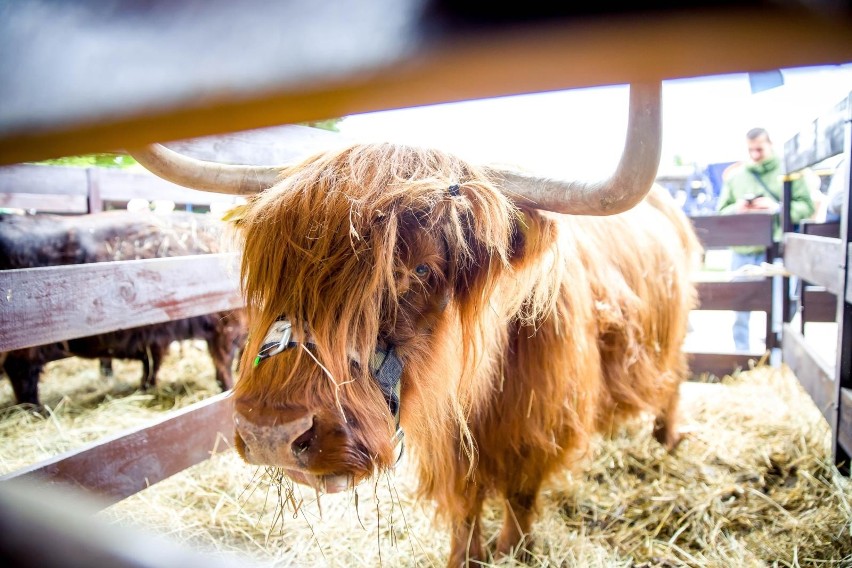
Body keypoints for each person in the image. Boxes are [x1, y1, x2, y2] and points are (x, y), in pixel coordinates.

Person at [715, 127, 815, 352]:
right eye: (751, 150)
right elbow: (721, 211)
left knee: (781, 305)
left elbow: (806, 206)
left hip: (777, 251)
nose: (755, 155)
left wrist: (777, 208)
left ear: (770, 145)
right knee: (740, 305)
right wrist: (738, 208)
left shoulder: (790, 172)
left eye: (759, 149)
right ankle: (742, 356)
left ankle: (777, 353)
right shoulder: (736, 177)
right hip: (743, 250)